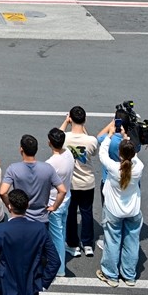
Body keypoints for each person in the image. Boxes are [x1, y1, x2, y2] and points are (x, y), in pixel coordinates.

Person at [0, 188, 60, 295]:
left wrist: (1, 281)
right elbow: (55, 261)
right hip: (31, 286)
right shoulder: (39, 229)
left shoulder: (0, 230)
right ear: (27, 206)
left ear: (9, 207)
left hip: (7, 287)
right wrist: (43, 282)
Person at [95, 134, 143, 287]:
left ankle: (111, 275)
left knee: (112, 241)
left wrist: (110, 136)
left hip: (113, 211)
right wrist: (128, 140)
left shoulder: (113, 168)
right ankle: (129, 275)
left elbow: (102, 152)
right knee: (132, 242)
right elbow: (134, 158)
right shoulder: (139, 167)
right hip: (133, 210)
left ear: (119, 154)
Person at [59, 106, 98, 258]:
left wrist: (65, 122)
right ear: (85, 119)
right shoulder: (91, 140)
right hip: (88, 182)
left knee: (71, 213)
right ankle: (87, 244)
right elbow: (93, 150)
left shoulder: (65, 138)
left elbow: (56, 135)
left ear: (70, 119)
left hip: (71, 183)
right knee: (87, 212)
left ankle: (72, 243)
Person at [1, 134, 67, 222]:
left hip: (21, 218)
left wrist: (9, 205)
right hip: (42, 219)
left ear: (21, 149)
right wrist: (54, 207)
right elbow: (62, 191)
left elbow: (3, 192)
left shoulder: (13, 169)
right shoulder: (48, 168)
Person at [43, 128, 73, 279]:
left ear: (49, 142)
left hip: (54, 202)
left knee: (56, 238)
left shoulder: (50, 163)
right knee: (62, 231)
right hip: (66, 197)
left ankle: (59, 268)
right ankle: (60, 259)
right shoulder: (68, 153)